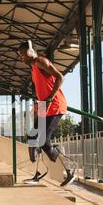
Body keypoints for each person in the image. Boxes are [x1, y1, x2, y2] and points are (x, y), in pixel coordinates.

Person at [18, 41, 75, 186]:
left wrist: (49, 98)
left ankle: (69, 170)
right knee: (33, 136)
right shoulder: (33, 69)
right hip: (44, 106)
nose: (22, 58)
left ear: (31, 51)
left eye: (23, 54)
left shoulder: (40, 62)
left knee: (43, 140)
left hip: (54, 104)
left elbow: (60, 77)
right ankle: (38, 173)